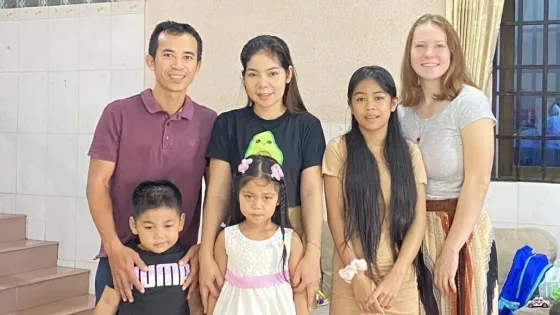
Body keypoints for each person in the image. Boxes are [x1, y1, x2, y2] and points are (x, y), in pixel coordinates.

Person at [87, 20, 216, 314]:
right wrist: (114, 247)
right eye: (168, 54)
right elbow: (97, 184)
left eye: (188, 57)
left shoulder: (209, 122)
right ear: (150, 60)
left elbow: (219, 193)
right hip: (120, 259)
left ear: (198, 66)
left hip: (182, 264)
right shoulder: (118, 113)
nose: (178, 65)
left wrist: (205, 249)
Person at [199, 35, 326, 312]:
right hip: (238, 236)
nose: (262, 83)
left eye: (272, 73)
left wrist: (313, 251)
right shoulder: (227, 124)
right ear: (243, 77)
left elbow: (311, 191)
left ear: (288, 74)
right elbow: (218, 193)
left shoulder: (307, 126)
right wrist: (207, 254)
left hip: (292, 233)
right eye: (253, 74)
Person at [398, 14, 498, 315]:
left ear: (452, 52)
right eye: (420, 46)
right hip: (412, 231)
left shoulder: (470, 102)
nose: (429, 54)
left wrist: (452, 249)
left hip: (459, 232)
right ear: (409, 53)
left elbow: (478, 182)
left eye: (438, 45)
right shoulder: (403, 111)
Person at [323, 66, 427, 315]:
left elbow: (418, 219)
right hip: (352, 276)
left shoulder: (410, 153)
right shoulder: (338, 149)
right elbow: (335, 219)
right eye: (360, 99)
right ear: (351, 105)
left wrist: (397, 275)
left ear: (393, 103)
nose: (370, 106)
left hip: (399, 280)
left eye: (378, 98)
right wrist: (357, 276)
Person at [206, 155, 308, 315]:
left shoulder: (290, 240)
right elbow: (216, 287)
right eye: (249, 196)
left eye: (267, 197)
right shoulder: (226, 238)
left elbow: (299, 292)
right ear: (238, 195)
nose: (257, 205)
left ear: (278, 199)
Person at [94, 180, 191, 315]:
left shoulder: (188, 258)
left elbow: (196, 302)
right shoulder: (126, 259)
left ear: (181, 222)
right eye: (149, 227)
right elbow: (108, 302)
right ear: (134, 225)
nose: (159, 235)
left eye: (168, 226)